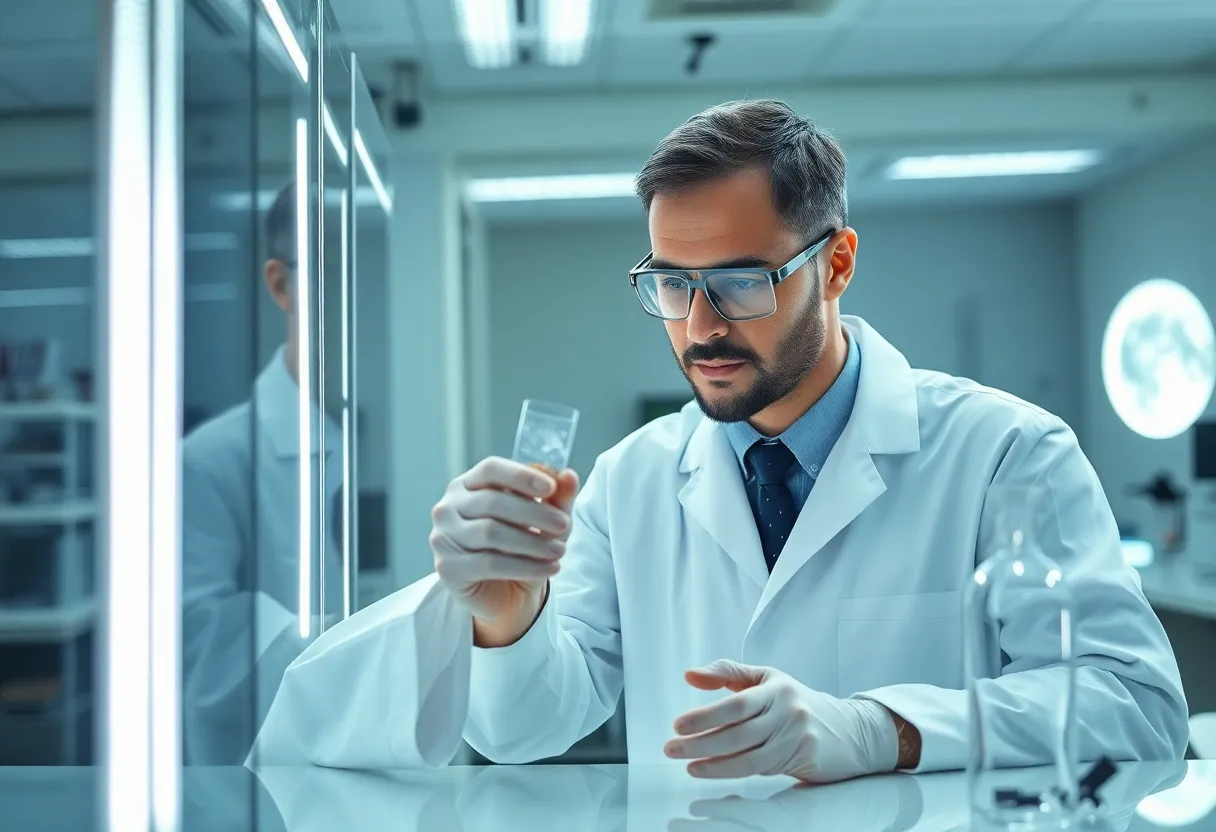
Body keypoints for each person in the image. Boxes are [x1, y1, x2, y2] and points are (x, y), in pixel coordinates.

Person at [260, 100, 1188, 780]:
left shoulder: (1005, 454)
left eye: (741, 281)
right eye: (671, 284)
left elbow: (1136, 707)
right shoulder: (632, 480)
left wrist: (878, 729)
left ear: (836, 263)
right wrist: (507, 617)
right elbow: (526, 730)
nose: (699, 325)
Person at [181, 184, 343, 764]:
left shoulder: (362, 441)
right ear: (281, 285)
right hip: (256, 785)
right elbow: (195, 639)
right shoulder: (211, 459)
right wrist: (352, 641)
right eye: (333, 271)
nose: (352, 298)